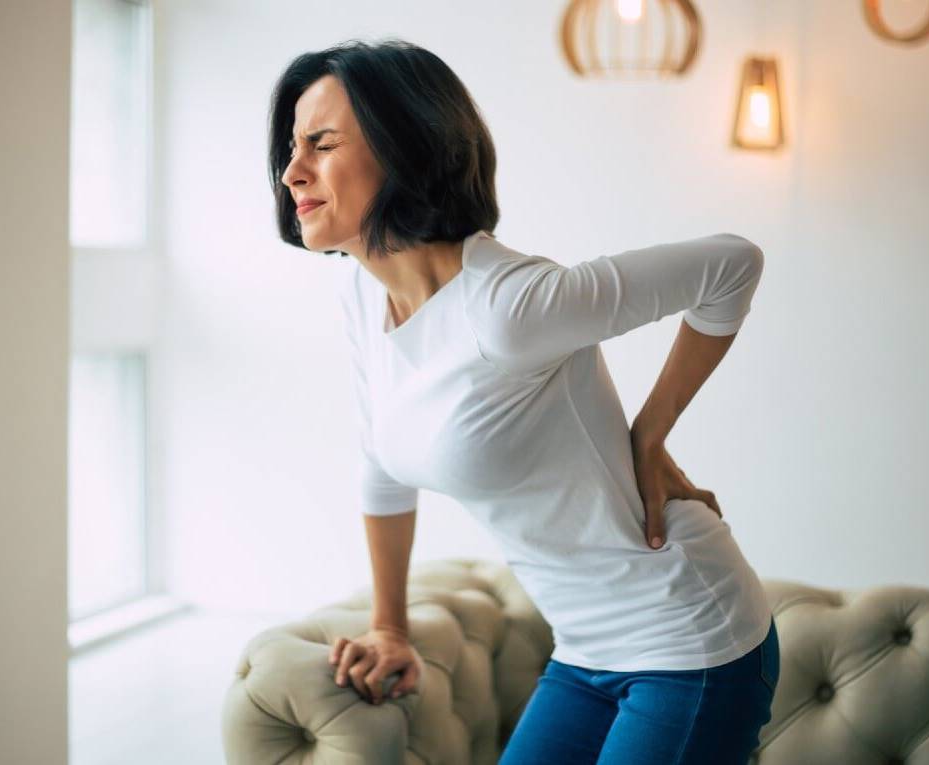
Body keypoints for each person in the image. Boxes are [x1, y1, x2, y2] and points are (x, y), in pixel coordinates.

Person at [268, 37, 780, 765]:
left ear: (403, 148)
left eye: (321, 143)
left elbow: (732, 265)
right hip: (582, 650)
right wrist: (391, 626)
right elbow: (381, 465)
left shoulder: (506, 306)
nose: (292, 171)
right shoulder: (362, 292)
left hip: (690, 638)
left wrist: (649, 433)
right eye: (292, 146)